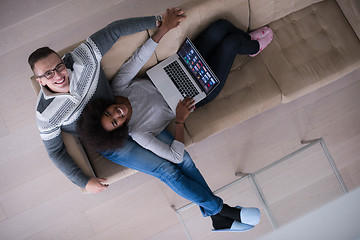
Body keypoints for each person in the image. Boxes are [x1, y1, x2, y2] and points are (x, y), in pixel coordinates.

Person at [78, 17, 272, 231]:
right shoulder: (138, 132)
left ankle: (218, 217)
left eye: (109, 112)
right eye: (116, 122)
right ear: (119, 129)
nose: (118, 113)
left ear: (105, 106)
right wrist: (179, 120)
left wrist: (162, 32)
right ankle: (252, 47)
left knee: (220, 27)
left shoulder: (118, 88)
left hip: (178, 67)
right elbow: (176, 157)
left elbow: (137, 59)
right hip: (195, 93)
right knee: (230, 44)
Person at [28, 8, 183, 193]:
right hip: (102, 140)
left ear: (62, 61)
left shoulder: (82, 59)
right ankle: (218, 210)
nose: (58, 76)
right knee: (166, 170)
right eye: (48, 74)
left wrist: (158, 21)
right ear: (40, 81)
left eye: (58, 67)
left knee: (184, 159)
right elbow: (55, 152)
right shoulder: (45, 116)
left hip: (123, 112)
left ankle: (217, 211)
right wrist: (83, 182)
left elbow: (113, 30)